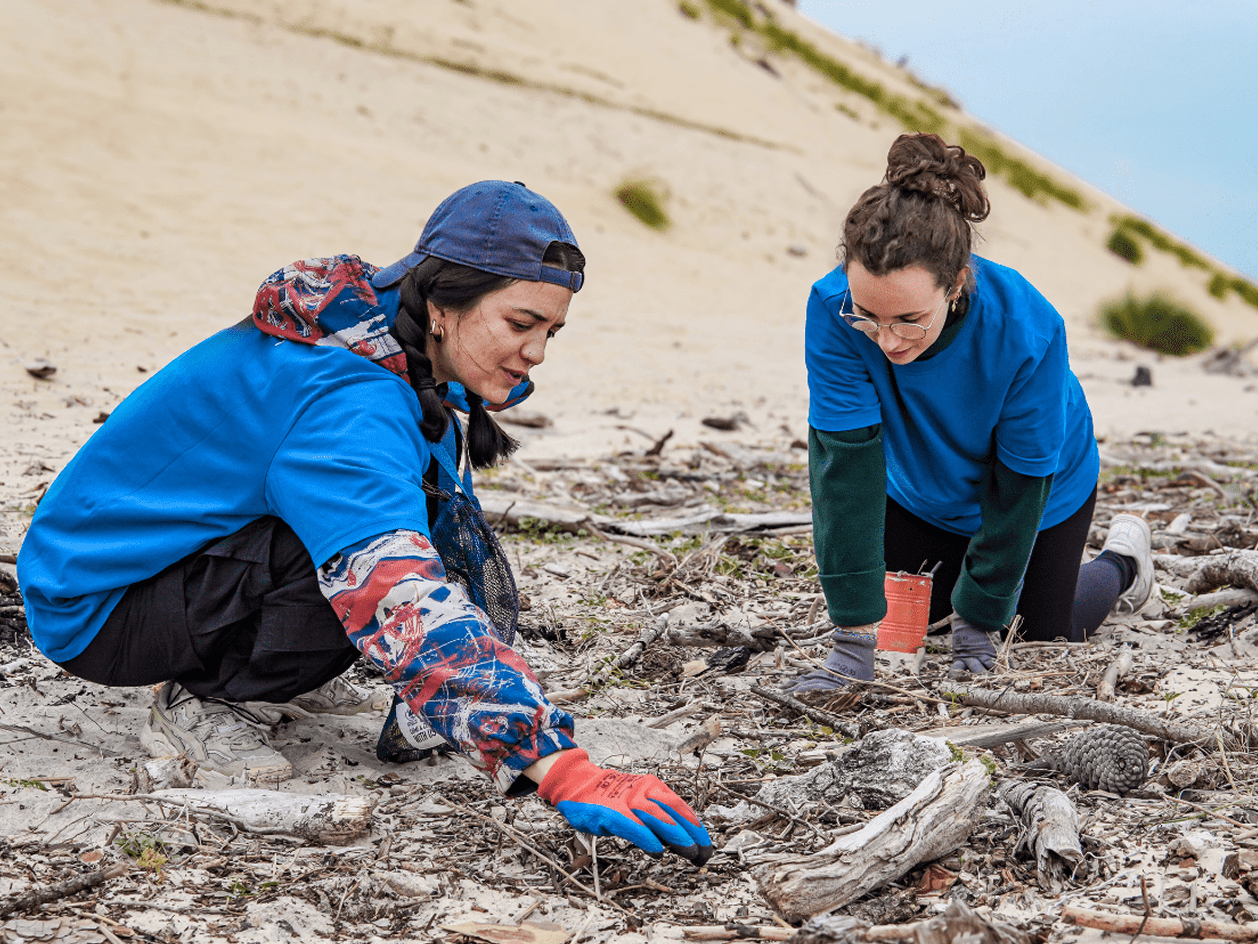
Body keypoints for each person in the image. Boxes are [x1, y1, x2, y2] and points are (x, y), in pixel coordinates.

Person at [17, 180, 712, 865]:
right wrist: (553, 764)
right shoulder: (350, 396)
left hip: (169, 570)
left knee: (386, 524)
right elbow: (392, 587)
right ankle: (214, 698)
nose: (536, 352)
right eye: (520, 324)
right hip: (101, 608)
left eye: (550, 331)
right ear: (443, 304)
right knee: (354, 551)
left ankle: (259, 662)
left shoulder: (393, 346)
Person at [790, 133, 1154, 691]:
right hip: (921, 487)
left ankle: (1125, 563)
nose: (886, 341)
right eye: (868, 316)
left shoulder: (1025, 329)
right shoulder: (831, 309)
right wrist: (851, 640)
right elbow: (845, 466)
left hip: (1040, 487)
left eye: (909, 319)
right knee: (918, 617)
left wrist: (981, 621)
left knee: (1035, 630)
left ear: (956, 284)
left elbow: (1021, 478)